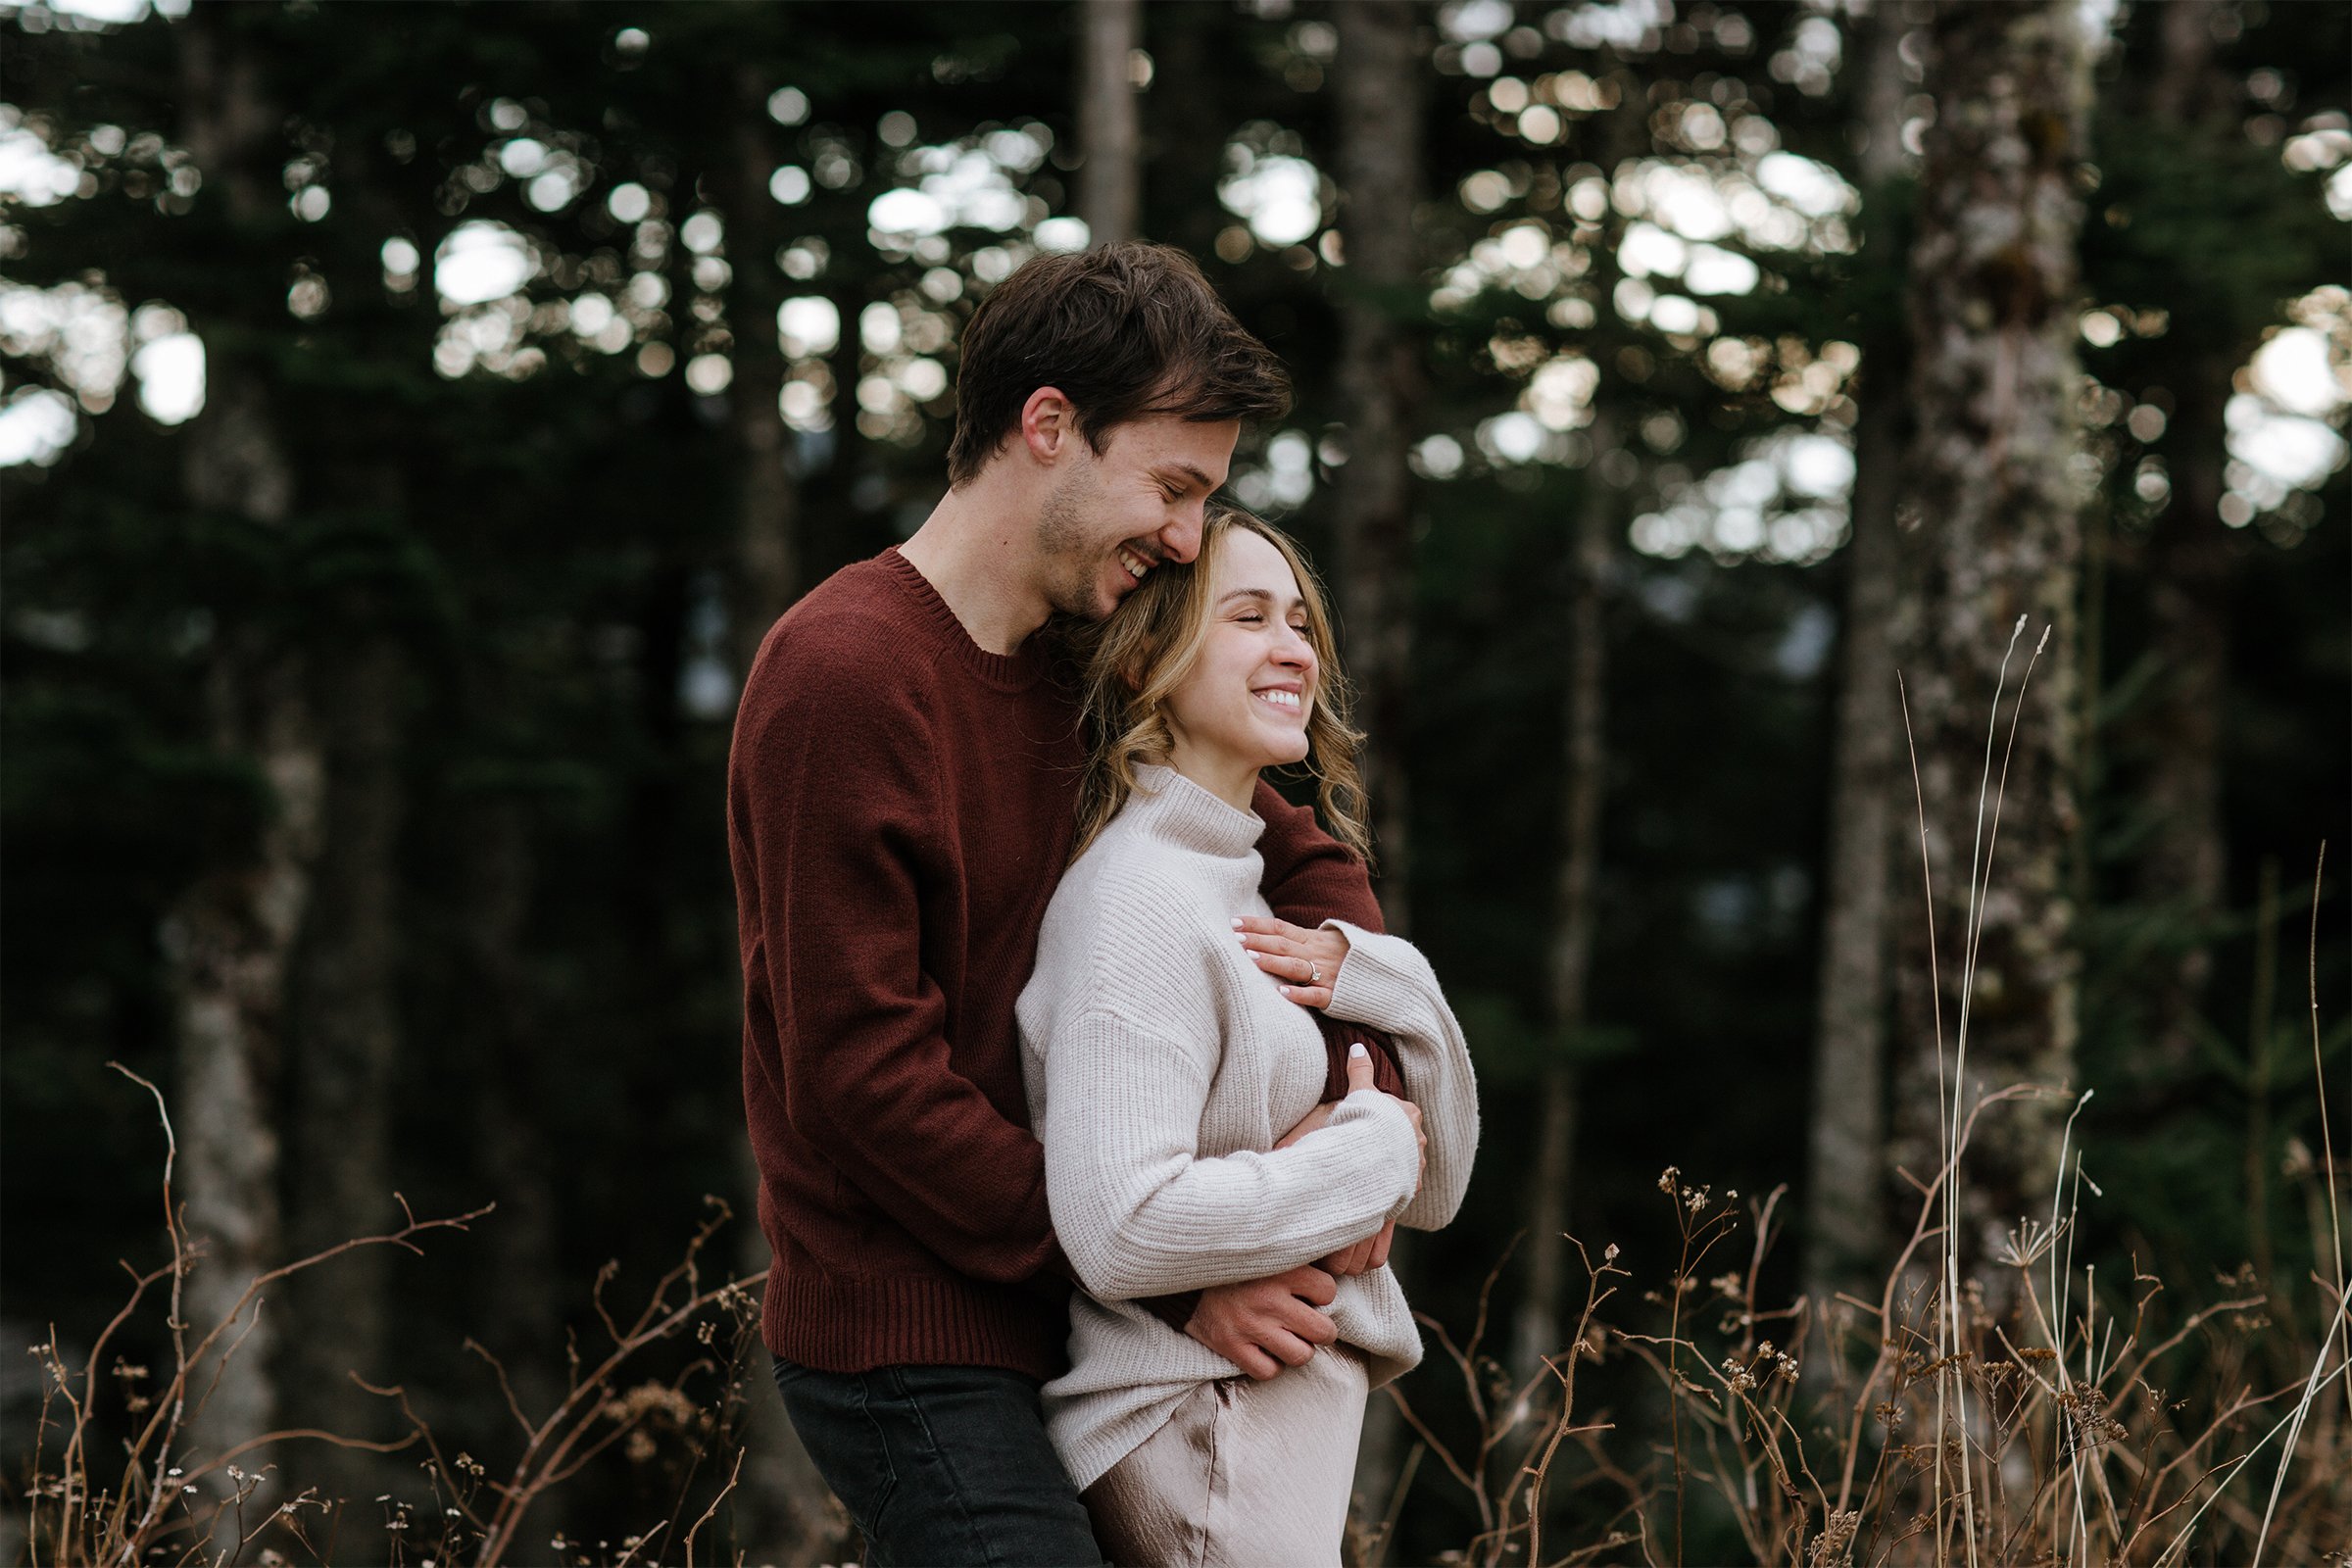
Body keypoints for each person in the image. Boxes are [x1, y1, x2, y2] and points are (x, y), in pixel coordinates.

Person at [726, 242, 1420, 1566]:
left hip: (1095, 1313)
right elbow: (863, 1079)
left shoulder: (1089, 669)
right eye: (1171, 486)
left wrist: (1361, 1092)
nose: (1183, 537)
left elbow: (1303, 859)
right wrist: (1172, 1264)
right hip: (915, 1335)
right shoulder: (844, 675)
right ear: (1048, 426)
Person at [1016, 507, 1480, 1565]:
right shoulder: (1136, 899)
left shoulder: (1244, 888)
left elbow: (1439, 1186)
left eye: (1301, 621)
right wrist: (1367, 1150)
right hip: (1195, 1435)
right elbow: (1121, 1222)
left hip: (1261, 1434)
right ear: (1147, 662)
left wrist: (1390, 979)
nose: (1293, 648)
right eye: (1248, 617)